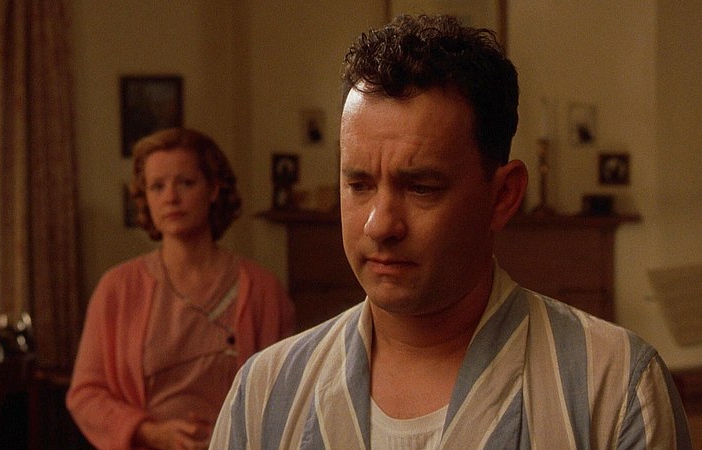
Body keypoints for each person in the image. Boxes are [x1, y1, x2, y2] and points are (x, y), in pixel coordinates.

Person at [209, 14, 692, 449]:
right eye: (359, 185)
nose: (380, 225)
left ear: (502, 197)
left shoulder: (614, 388)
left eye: (421, 187)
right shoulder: (265, 394)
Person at [67, 127, 295, 450]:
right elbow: (85, 394)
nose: (171, 197)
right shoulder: (117, 288)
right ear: (145, 197)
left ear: (213, 189)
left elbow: (287, 394)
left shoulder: (262, 289)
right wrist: (151, 433)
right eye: (157, 186)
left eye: (186, 183)